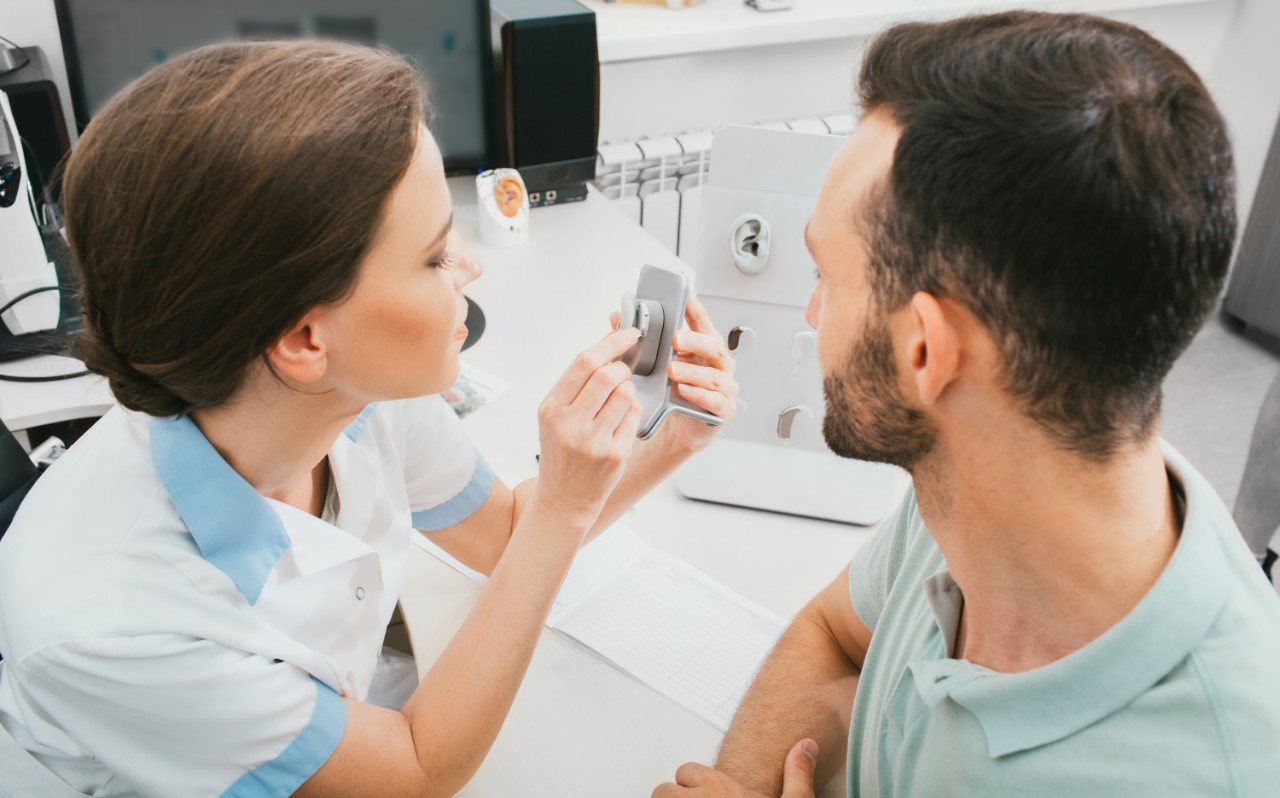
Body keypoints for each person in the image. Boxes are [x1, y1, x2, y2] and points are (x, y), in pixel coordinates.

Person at [0, 40, 739, 796]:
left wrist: (674, 435)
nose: (470, 267)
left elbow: (504, 536)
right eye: (433, 257)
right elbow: (414, 771)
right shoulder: (115, 626)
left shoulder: (355, 401)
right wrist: (563, 507)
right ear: (304, 339)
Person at [656, 11, 1280, 798]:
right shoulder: (988, 470)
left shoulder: (1214, 770)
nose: (812, 313)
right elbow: (836, 633)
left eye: (826, 278)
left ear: (926, 351)